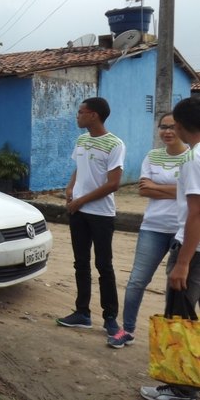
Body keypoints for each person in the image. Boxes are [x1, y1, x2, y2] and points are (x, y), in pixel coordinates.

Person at [109, 113, 188, 348]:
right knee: (136, 281)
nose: (167, 131)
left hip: (183, 230)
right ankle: (128, 330)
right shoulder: (152, 156)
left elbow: (192, 193)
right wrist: (176, 189)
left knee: (175, 286)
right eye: (163, 127)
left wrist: (158, 186)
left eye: (173, 127)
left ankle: (171, 339)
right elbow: (144, 190)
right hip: (153, 227)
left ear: (182, 128)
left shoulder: (193, 157)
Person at [140, 97, 200, 400]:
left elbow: (196, 213)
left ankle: (182, 388)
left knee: (180, 315)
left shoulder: (193, 159)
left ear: (179, 125)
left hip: (193, 249)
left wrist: (183, 262)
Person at [56, 97, 125, 334]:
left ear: (93, 115)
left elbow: (114, 184)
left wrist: (81, 201)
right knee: (81, 263)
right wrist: (69, 188)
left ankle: (110, 317)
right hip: (79, 212)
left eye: (80, 112)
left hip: (101, 214)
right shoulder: (82, 139)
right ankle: (82, 313)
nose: (77, 115)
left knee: (104, 265)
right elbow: (79, 168)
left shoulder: (114, 144)